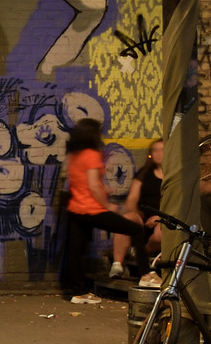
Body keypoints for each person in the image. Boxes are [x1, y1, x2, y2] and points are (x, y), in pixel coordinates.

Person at [58, 119, 151, 304]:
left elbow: (80, 182)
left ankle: (77, 292)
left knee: (76, 250)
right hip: (92, 209)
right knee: (135, 229)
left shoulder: (74, 155)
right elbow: (93, 185)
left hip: (76, 209)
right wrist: (107, 205)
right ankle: (145, 274)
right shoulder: (92, 155)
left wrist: (102, 189)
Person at [109, 139, 163, 279]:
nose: (159, 154)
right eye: (155, 150)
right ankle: (117, 265)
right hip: (143, 217)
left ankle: (140, 252)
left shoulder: (175, 176)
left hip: (163, 219)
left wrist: (160, 218)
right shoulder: (145, 173)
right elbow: (132, 200)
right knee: (126, 220)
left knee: (160, 233)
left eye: (162, 150)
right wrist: (136, 213)